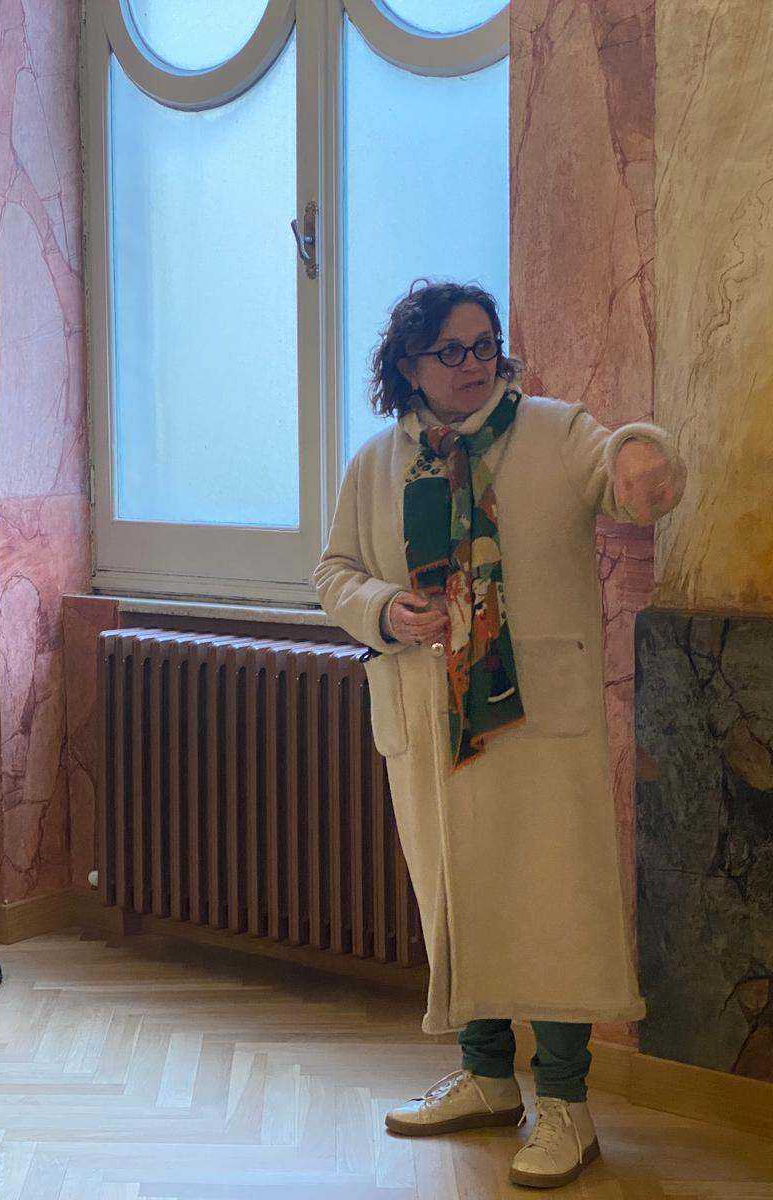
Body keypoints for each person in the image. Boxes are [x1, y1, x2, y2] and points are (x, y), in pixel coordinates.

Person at [315, 280, 685, 1190]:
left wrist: (645, 456)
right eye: (452, 349)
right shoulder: (378, 464)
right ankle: (487, 1078)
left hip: (534, 717)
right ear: (410, 365)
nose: (475, 364)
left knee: (554, 906)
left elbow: (620, 463)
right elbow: (334, 570)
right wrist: (383, 608)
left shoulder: (555, 433)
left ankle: (566, 1106)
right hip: (428, 718)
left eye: (486, 345)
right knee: (457, 897)